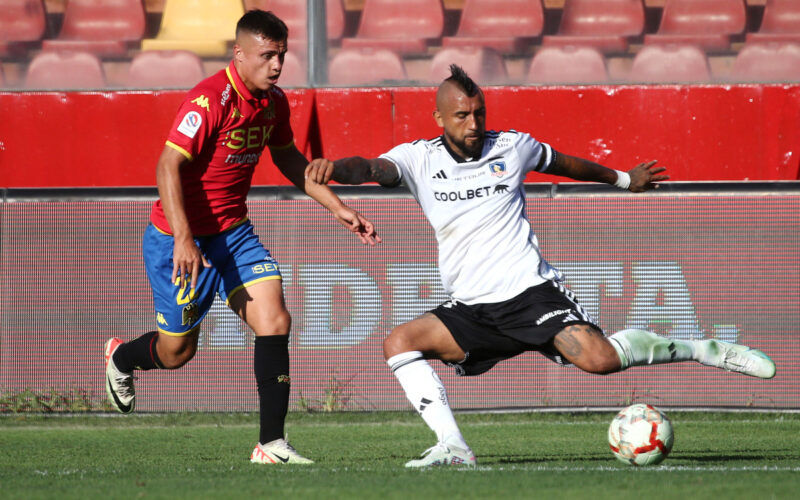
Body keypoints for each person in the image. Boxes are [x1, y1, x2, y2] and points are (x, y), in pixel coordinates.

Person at [305, 64, 777, 468]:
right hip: (472, 309)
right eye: (462, 115)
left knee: (600, 361)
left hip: (531, 292)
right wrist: (334, 169)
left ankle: (704, 350)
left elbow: (567, 164)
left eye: (479, 112)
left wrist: (623, 179)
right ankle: (452, 446)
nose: (473, 123)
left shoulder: (512, 147)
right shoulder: (417, 159)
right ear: (439, 117)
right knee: (399, 343)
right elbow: (368, 167)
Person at [103, 10, 380, 465]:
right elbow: (166, 166)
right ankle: (122, 357)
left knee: (275, 320)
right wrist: (184, 239)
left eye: (282, 55)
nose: (276, 65)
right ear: (240, 54)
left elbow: (290, 158)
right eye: (267, 55)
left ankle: (270, 444)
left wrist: (339, 208)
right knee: (176, 353)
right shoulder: (208, 101)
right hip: (179, 238)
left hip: (233, 234)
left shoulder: (274, 103)